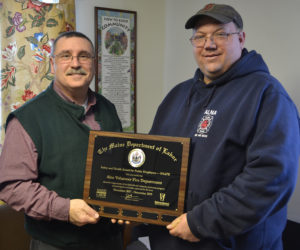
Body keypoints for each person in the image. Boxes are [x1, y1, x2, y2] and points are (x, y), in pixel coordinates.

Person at [146, 3, 300, 250]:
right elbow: (153, 163)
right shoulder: (177, 96)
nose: (209, 44)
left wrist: (200, 222)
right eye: (200, 36)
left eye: (220, 34)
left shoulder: (267, 95)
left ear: (241, 38)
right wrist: (133, 208)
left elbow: (270, 178)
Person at [0, 31, 124, 250]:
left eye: (84, 56)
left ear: (94, 63)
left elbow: (120, 168)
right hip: (56, 244)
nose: (75, 63)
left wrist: (129, 202)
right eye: (66, 55)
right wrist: (64, 209)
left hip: (110, 240)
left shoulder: (109, 109)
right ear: (53, 63)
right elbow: (13, 186)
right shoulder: (28, 118)